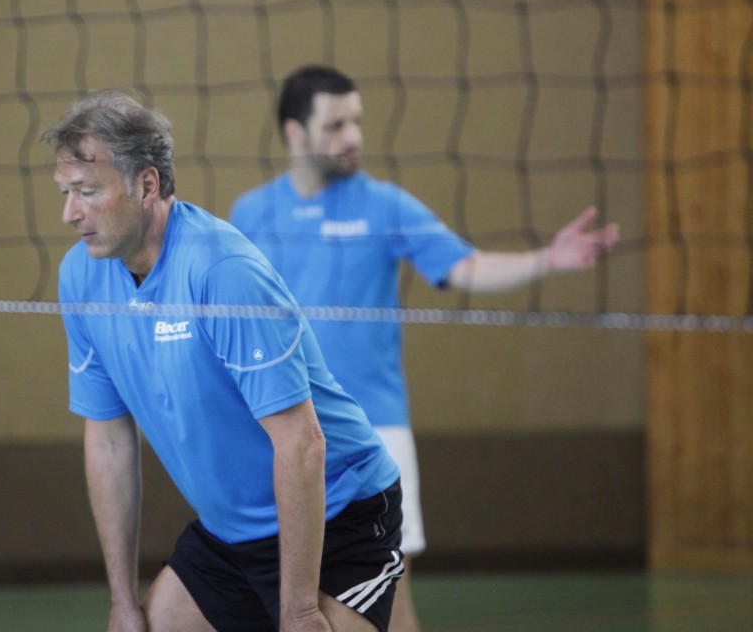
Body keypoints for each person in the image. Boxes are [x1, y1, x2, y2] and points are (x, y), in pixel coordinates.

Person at [229, 65, 621, 632]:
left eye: (357, 121)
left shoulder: (384, 205)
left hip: (374, 430)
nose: (354, 136)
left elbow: (465, 266)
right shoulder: (251, 214)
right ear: (295, 133)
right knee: (288, 601)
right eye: (336, 125)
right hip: (283, 431)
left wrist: (547, 260)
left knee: (390, 607)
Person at [44, 89, 407, 632]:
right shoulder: (81, 276)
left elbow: (302, 443)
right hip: (229, 537)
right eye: (66, 192)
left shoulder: (221, 270)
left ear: (147, 184)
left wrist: (299, 611)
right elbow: (109, 440)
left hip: (338, 517)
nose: (70, 213)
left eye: (87, 192)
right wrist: (122, 601)